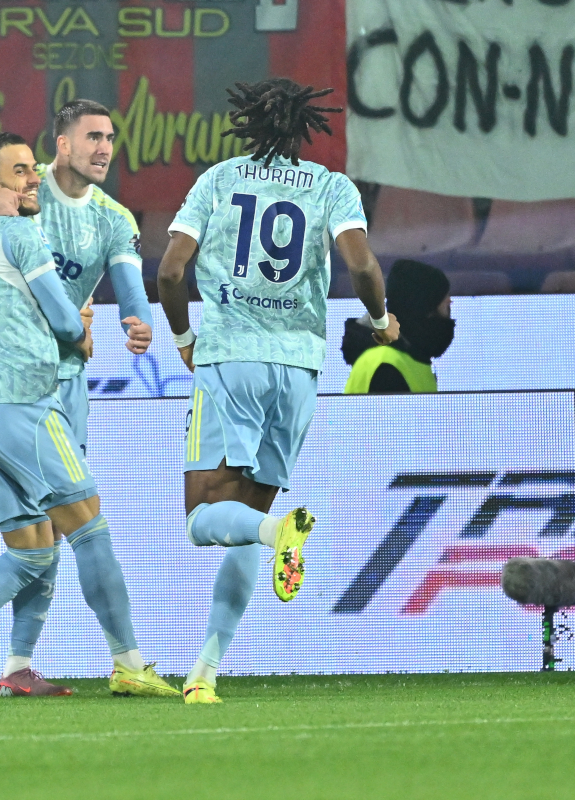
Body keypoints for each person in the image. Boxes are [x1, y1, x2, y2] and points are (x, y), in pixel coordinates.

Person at [0, 101, 166, 697]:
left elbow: (124, 290)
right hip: (26, 399)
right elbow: (68, 325)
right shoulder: (18, 214)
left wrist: (134, 321)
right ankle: (128, 664)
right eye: (92, 135)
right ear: (60, 146)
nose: (104, 147)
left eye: (111, 137)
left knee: (34, 550)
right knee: (85, 529)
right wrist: (77, 324)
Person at [157, 79, 400, 705]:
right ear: (303, 129)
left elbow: (170, 271)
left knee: (204, 520)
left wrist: (184, 336)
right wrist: (379, 322)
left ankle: (277, 536)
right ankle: (204, 673)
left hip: (231, 358)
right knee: (247, 516)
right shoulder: (329, 185)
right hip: (297, 370)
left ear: (249, 123)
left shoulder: (217, 181)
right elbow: (363, 265)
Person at [342, 259, 454, 394]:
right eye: (445, 308)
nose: (448, 320)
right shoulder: (387, 369)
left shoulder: (410, 361)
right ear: (424, 311)